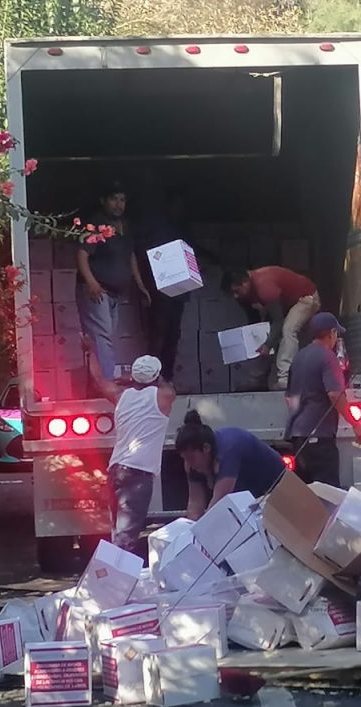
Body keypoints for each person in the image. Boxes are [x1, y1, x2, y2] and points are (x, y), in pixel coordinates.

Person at [86, 344, 175, 556]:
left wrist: (90, 351)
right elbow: (168, 387)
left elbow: (99, 380)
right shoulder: (164, 397)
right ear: (156, 376)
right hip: (138, 474)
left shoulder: (120, 395)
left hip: (116, 470)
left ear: (134, 377)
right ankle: (114, 584)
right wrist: (138, 379)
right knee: (125, 540)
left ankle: (108, 579)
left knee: (117, 533)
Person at [76, 181, 151, 383]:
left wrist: (140, 284)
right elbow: (82, 255)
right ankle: (107, 383)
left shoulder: (126, 226)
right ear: (103, 201)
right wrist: (91, 283)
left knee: (105, 337)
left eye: (122, 200)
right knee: (102, 337)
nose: (118, 204)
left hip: (116, 293)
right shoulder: (96, 224)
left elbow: (131, 256)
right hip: (97, 290)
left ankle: (99, 381)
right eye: (114, 199)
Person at [285, 312, 361, 487]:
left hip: (298, 438)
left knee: (306, 496)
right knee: (328, 494)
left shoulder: (299, 357)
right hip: (320, 441)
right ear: (331, 333)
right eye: (336, 333)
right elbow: (334, 394)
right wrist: (357, 426)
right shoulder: (328, 357)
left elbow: (288, 398)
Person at [135, 189, 204, 381]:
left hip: (179, 292)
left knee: (173, 335)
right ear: (169, 206)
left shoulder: (182, 229)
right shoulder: (157, 228)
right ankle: (152, 378)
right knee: (158, 335)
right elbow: (143, 252)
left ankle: (167, 377)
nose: (180, 210)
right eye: (177, 206)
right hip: (159, 291)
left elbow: (193, 251)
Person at [175, 410, 287, 518]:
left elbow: (218, 504)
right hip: (246, 487)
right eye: (184, 458)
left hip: (276, 486)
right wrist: (189, 531)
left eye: (191, 458)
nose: (189, 464)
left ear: (206, 448)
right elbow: (195, 503)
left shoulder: (229, 450)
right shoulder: (191, 464)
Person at [223, 266, 321, 389]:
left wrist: (268, 344)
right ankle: (258, 380)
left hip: (305, 298)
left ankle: (285, 378)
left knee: (288, 330)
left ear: (245, 282)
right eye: (232, 294)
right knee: (262, 335)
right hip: (283, 304)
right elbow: (255, 323)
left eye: (236, 291)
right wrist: (257, 340)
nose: (235, 296)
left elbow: (278, 321)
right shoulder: (243, 295)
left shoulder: (264, 286)